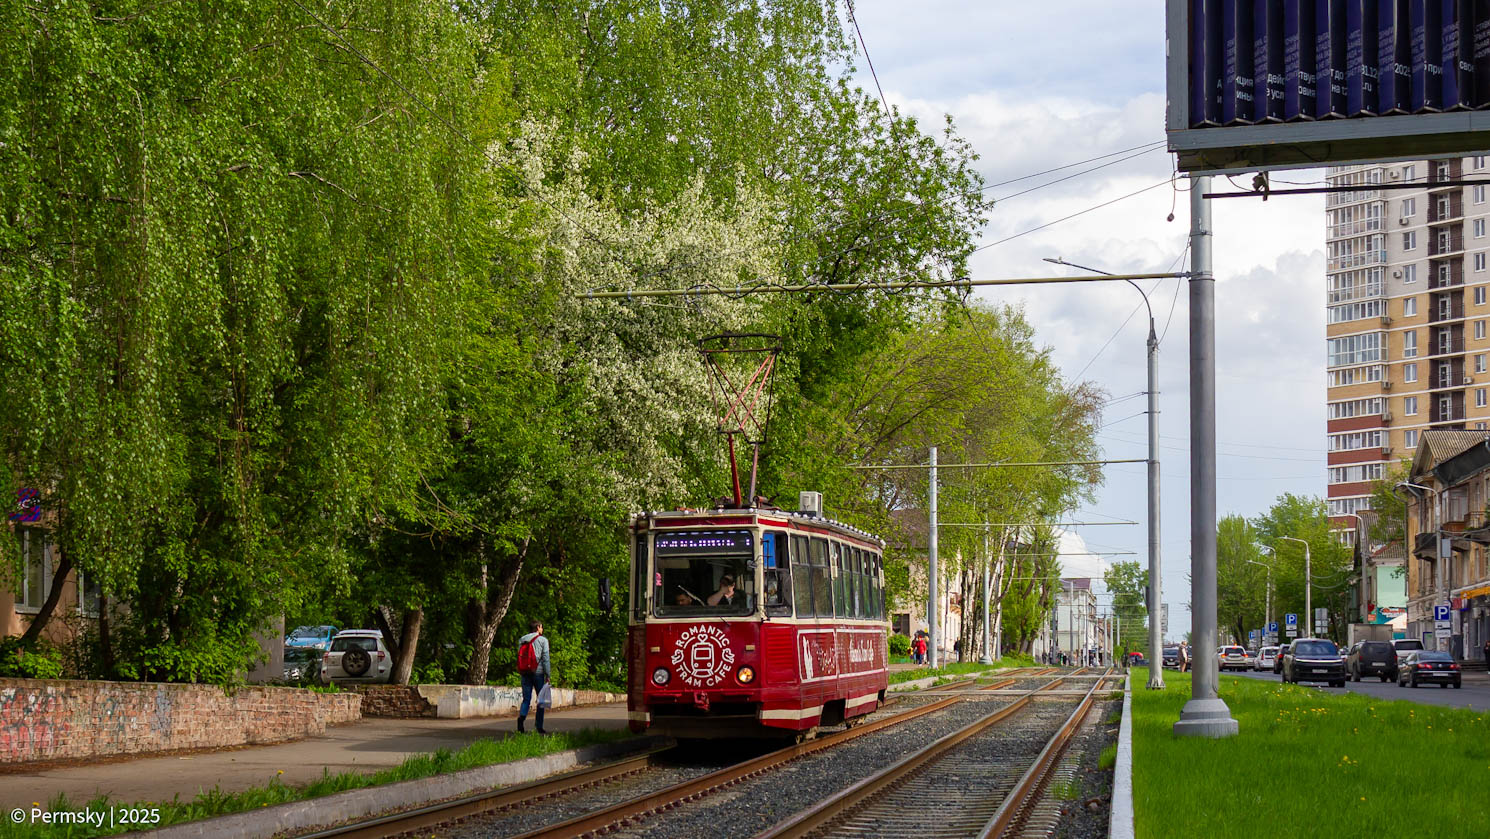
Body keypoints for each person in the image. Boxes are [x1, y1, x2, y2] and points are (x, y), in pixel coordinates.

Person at [516, 620, 551, 735]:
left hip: (525, 672)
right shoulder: (543, 640)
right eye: (541, 627)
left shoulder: (522, 640)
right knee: (541, 700)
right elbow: (545, 659)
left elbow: (520, 656)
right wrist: (548, 674)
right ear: (538, 628)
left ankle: (521, 719)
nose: (542, 629)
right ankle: (539, 727)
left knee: (526, 699)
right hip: (538, 673)